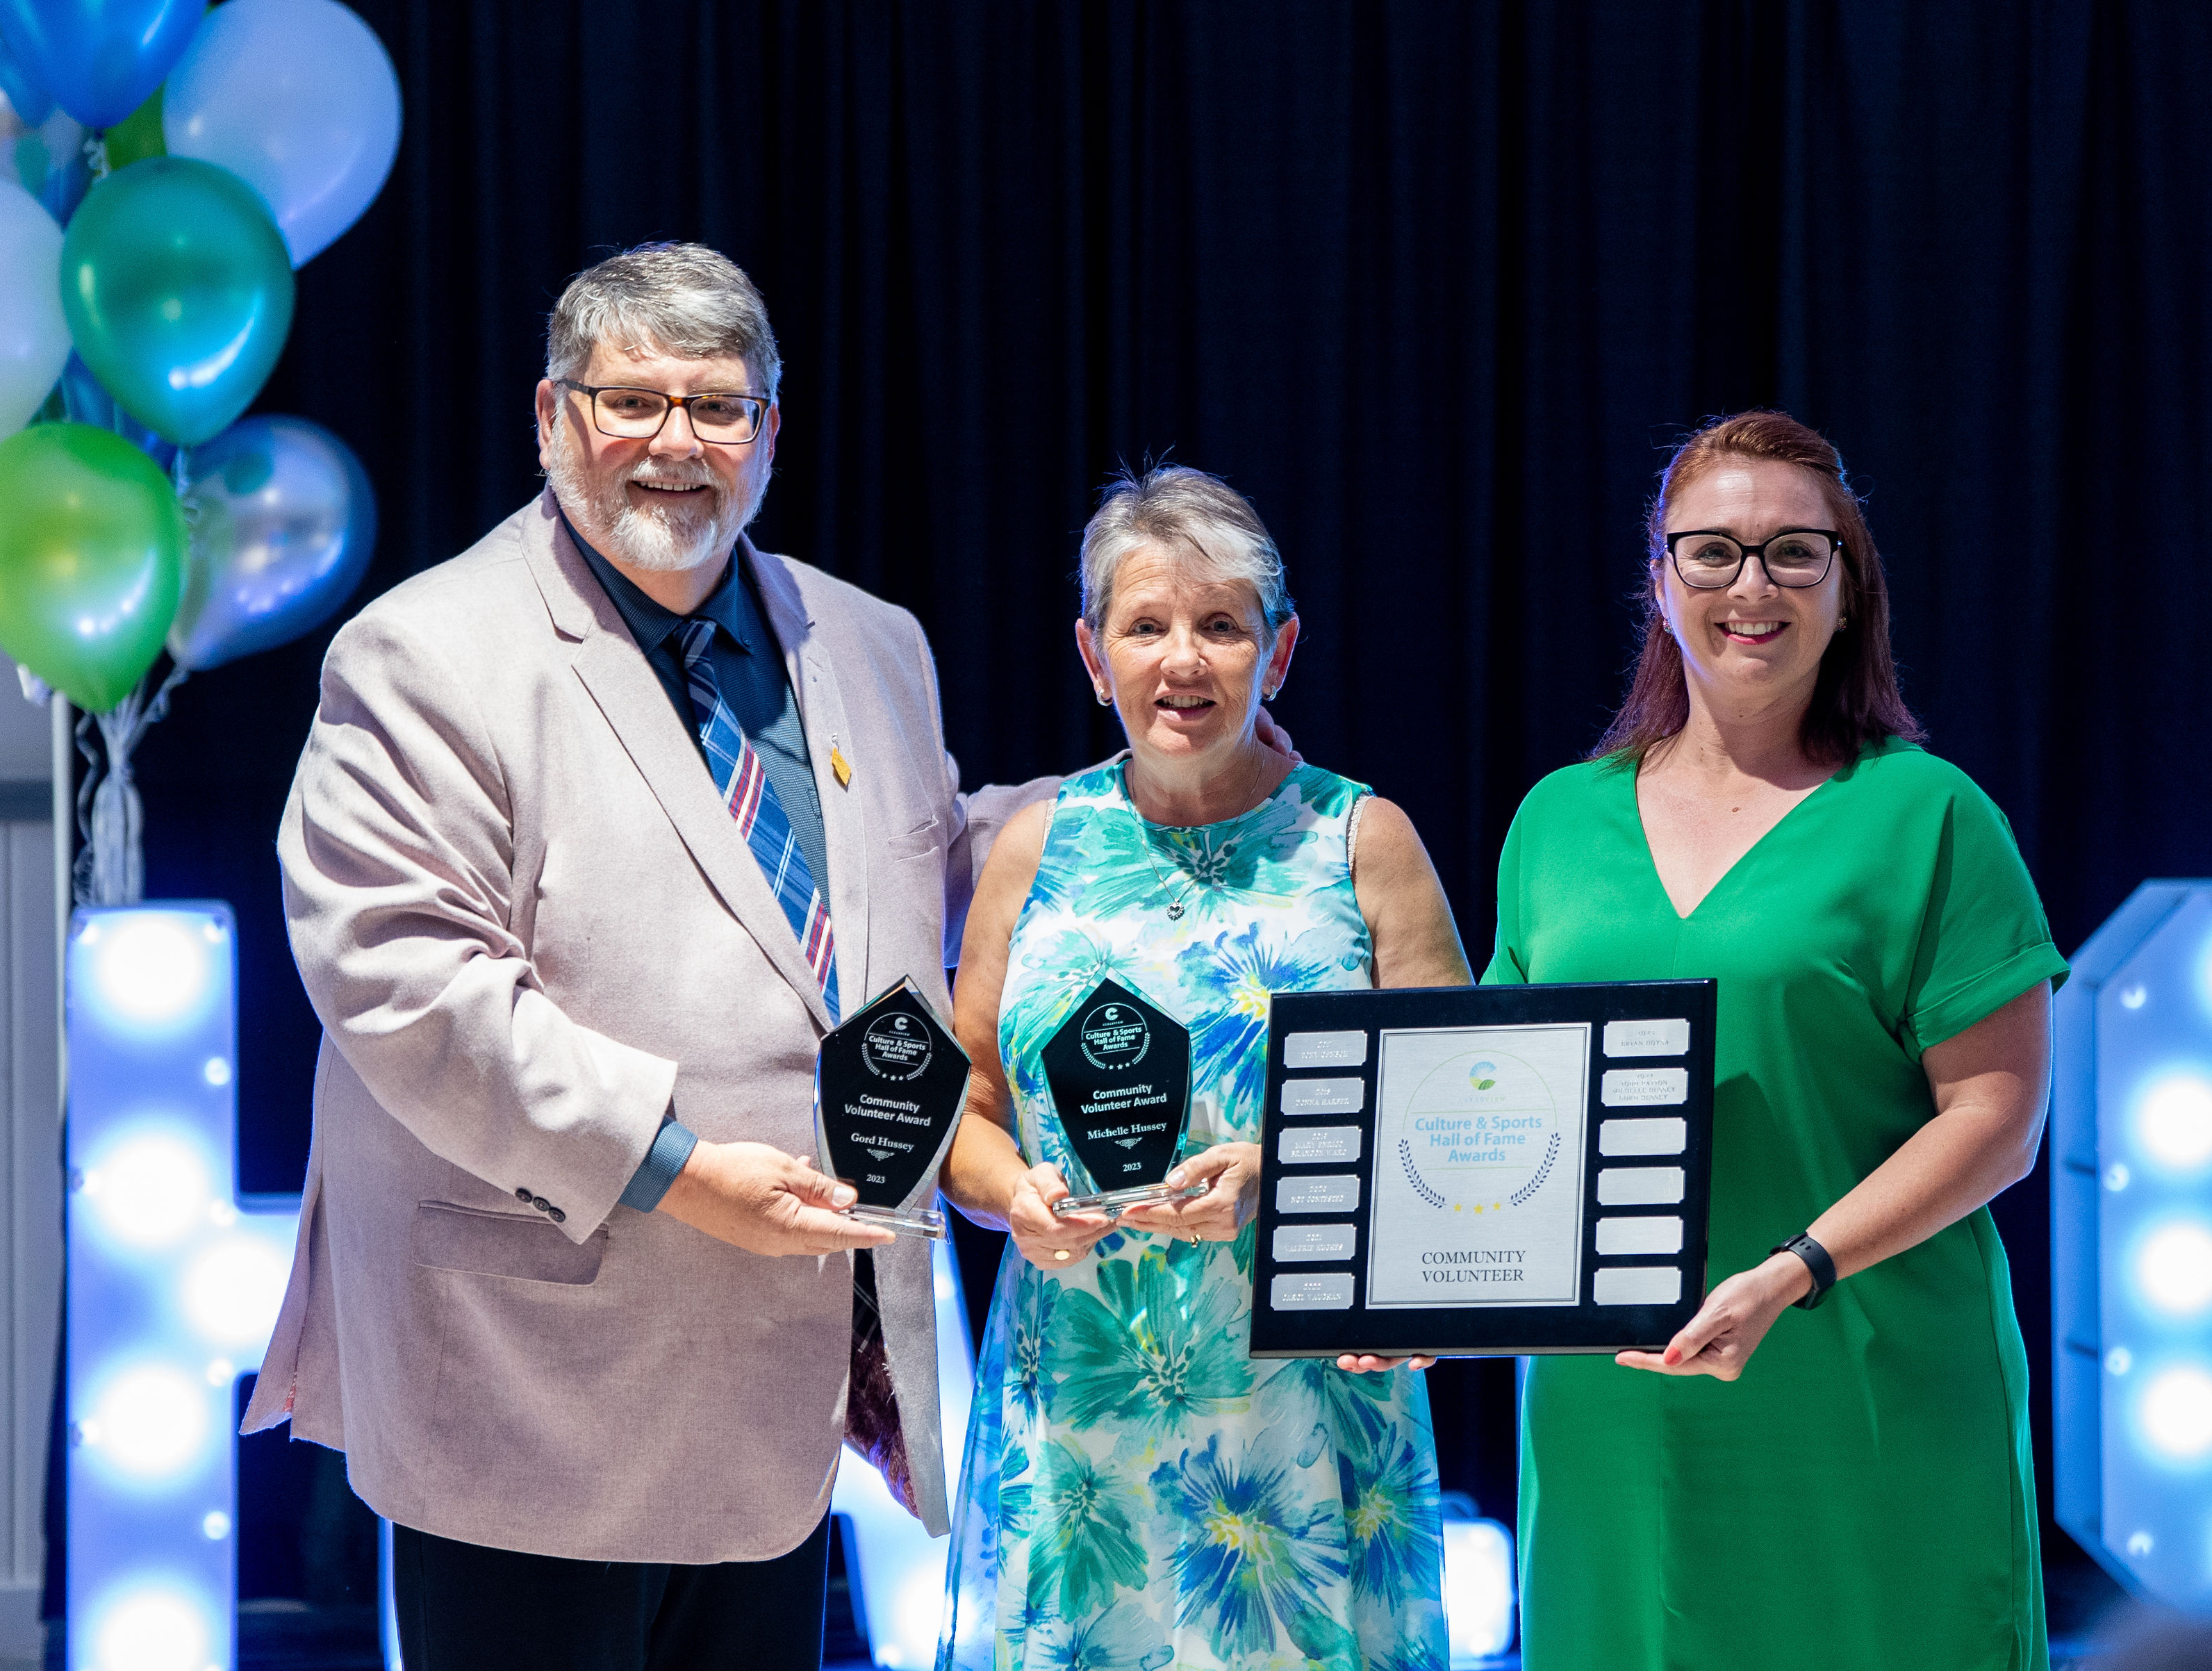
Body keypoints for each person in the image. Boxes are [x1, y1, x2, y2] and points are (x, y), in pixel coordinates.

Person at [241, 242, 1058, 1671]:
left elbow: (932, 870)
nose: (677, 443)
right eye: (633, 402)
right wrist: (674, 1166)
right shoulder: (424, 653)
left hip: (778, 1390)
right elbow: (409, 985)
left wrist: (1172, 800)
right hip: (531, 1389)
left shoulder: (871, 642)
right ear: (553, 416)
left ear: (771, 432)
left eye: (719, 406)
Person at [1490, 411, 2065, 1670]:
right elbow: (1500, 1108)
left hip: (1862, 1395)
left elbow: (1998, 1119)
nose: (1751, 585)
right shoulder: (1556, 822)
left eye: (1795, 552)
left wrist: (1793, 1269)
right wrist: (1422, 1288)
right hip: (1613, 1417)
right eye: (1713, 551)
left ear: (1848, 590)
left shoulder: (1932, 815)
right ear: (1659, 581)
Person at [935, 465, 1468, 1671]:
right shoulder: (1034, 847)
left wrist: (1282, 1174)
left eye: (1222, 624)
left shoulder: (1362, 839)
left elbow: (1455, 1120)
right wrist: (1010, 1190)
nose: (1184, 659)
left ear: (1279, 653)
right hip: (1078, 1409)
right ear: (1093, 655)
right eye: (1147, 626)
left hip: (1304, 1408)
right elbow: (968, 1103)